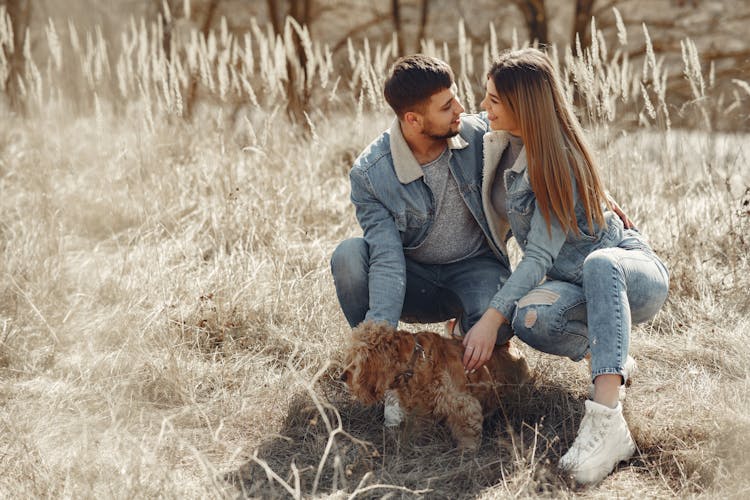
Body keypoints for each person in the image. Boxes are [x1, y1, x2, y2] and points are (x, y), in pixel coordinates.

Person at [464, 47, 669, 484]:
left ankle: (606, 422)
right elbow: (445, 123)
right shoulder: (497, 136)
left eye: (494, 100)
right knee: (531, 318)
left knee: (597, 264)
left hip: (627, 271)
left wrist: (488, 318)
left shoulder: (558, 161)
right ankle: (611, 355)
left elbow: (538, 256)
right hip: (572, 284)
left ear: (525, 107)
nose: (484, 106)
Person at [330, 55, 517, 427]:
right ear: (413, 120)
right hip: (413, 279)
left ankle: (469, 353)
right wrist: (379, 340)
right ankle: (388, 376)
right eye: (447, 106)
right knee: (349, 257)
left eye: (456, 98)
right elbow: (385, 256)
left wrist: (596, 190)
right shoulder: (371, 174)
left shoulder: (478, 134)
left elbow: (543, 141)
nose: (461, 109)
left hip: (474, 267)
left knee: (497, 320)